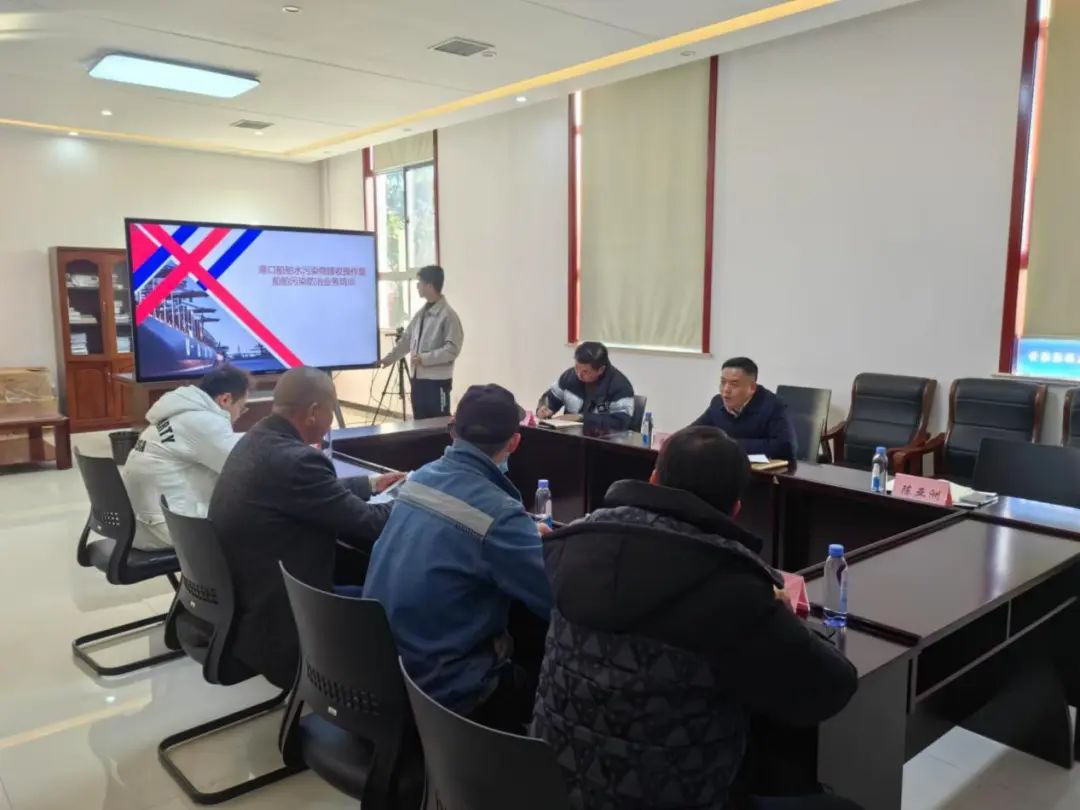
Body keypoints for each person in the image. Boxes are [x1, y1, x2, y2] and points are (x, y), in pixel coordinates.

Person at [531, 426, 860, 810]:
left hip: (549, 788)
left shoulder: (575, 542)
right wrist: (783, 616)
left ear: (653, 478)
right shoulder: (734, 585)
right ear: (735, 508)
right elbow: (830, 688)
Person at [364, 384, 553, 733]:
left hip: (385, 671)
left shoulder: (419, 478)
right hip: (447, 693)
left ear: (453, 430)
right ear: (514, 442)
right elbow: (553, 596)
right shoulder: (499, 514)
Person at [209, 367, 403, 689]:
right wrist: (415, 497)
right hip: (284, 619)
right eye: (331, 411)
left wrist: (371, 484)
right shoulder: (298, 460)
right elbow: (371, 523)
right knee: (399, 600)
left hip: (252, 600)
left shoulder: (258, 438)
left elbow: (309, 493)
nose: (331, 422)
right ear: (314, 412)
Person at [122, 365, 250, 550]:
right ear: (225, 399)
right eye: (242, 408)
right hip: (165, 528)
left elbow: (222, 445)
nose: (239, 415)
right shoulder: (205, 422)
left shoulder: (181, 411)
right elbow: (244, 469)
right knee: (260, 518)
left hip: (139, 523)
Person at [380, 264, 464, 419]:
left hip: (437, 383)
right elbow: (406, 340)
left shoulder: (448, 316)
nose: (417, 286)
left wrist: (424, 358)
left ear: (429, 285)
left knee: (438, 424)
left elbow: (452, 349)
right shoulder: (421, 314)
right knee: (419, 423)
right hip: (418, 381)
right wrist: (387, 360)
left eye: (419, 283)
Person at [693, 357, 798, 460]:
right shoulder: (717, 402)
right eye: (723, 382)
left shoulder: (773, 406)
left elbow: (785, 446)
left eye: (734, 384)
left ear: (752, 388)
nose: (725, 390)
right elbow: (692, 432)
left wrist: (728, 445)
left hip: (762, 469)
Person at [537, 341, 635, 432]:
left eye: (585, 371)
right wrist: (545, 408)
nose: (579, 374)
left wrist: (582, 418)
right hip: (571, 437)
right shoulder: (569, 377)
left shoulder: (620, 386)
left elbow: (620, 423)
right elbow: (551, 398)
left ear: (601, 370)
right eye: (577, 368)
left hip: (603, 440)